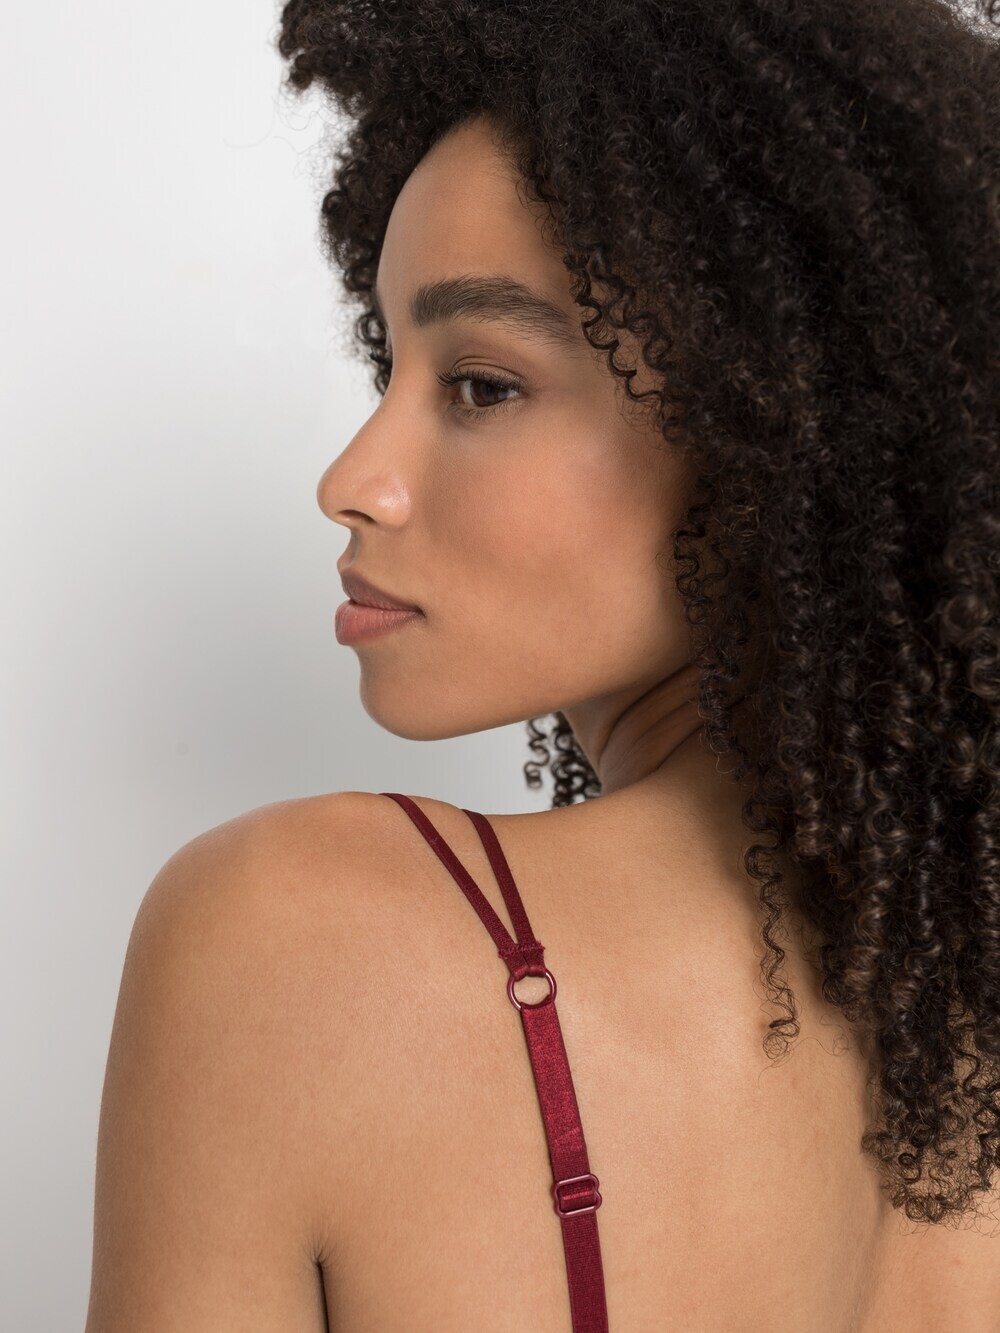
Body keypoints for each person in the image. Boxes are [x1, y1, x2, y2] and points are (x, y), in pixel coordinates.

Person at [85, 1, 1000, 1329]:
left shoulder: (284, 936)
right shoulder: (956, 1007)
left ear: (773, 431)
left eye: (481, 386)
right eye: (387, 365)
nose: (353, 479)